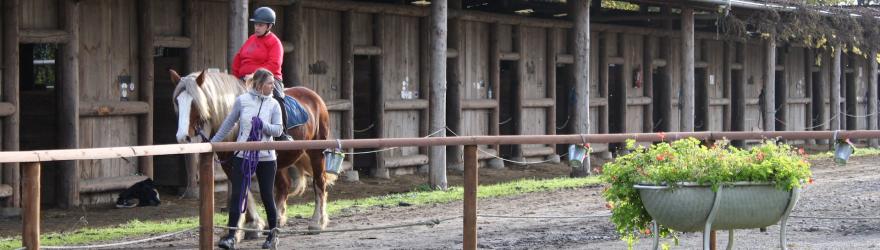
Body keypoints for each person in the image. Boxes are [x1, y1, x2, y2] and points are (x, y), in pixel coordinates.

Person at [211, 69, 283, 249]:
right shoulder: (242, 101)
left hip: (267, 157)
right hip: (243, 155)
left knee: (267, 195)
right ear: (259, 85)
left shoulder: (274, 104)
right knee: (238, 195)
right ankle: (231, 236)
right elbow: (228, 123)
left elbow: (278, 130)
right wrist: (212, 144)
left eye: (273, 83)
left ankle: (272, 236)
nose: (273, 86)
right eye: (269, 83)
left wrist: (263, 125)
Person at [232, 6, 293, 141]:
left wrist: (255, 76)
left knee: (277, 97)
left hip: (269, 78)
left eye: (260, 25)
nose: (257, 27)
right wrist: (235, 77)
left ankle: (282, 133)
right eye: (255, 24)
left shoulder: (275, 42)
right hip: (244, 79)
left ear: (269, 26)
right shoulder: (251, 39)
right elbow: (238, 57)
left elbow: (274, 64)